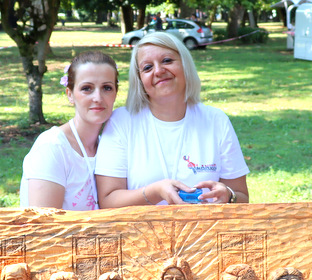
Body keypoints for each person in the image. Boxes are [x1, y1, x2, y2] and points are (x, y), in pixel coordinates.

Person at [95, 32, 249, 207]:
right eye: (147, 67)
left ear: (185, 65)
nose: (159, 71)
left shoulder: (216, 121)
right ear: (139, 80)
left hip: (204, 225)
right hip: (142, 225)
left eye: (167, 60)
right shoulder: (121, 122)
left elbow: (242, 197)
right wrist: (154, 192)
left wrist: (229, 196)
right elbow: (107, 202)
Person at [20, 51, 119, 210]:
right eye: (87, 88)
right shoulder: (52, 147)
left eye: (107, 88)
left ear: (115, 94)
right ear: (70, 94)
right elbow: (44, 222)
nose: (98, 98)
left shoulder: (109, 146)